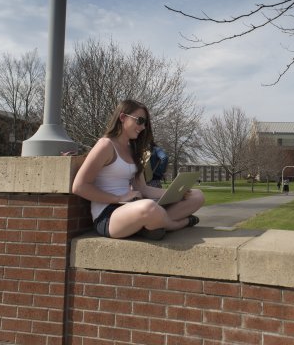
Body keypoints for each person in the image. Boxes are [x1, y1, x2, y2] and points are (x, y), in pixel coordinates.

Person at [72, 99, 204, 240]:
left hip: (133, 206)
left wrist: (176, 193)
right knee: (149, 208)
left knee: (196, 196)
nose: (143, 127)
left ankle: (152, 225)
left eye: (145, 123)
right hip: (109, 215)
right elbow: (80, 186)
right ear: (122, 117)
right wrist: (119, 198)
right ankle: (177, 224)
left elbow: (143, 189)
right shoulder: (105, 145)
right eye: (140, 121)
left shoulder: (134, 150)